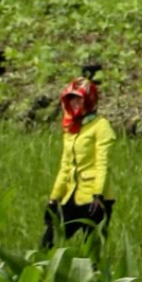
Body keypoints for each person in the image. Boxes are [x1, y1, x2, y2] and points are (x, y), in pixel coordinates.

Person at [43, 74, 114, 246]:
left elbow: (102, 163)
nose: (75, 104)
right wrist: (54, 199)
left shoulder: (100, 125)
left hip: (94, 198)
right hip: (72, 195)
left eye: (79, 99)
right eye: (71, 100)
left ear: (89, 100)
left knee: (92, 249)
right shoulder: (71, 128)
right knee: (48, 242)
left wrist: (99, 195)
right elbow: (65, 167)